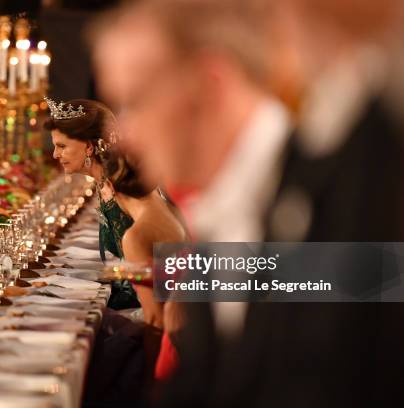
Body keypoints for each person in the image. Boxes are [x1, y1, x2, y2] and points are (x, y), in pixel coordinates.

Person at [92, 0, 404, 407]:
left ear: (209, 83)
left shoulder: (345, 191)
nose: (126, 134)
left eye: (135, 100)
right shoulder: (223, 207)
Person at [45, 97, 187, 326]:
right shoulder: (111, 186)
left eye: (61, 146)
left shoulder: (132, 203)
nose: (54, 155)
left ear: (90, 147)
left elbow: (156, 318)